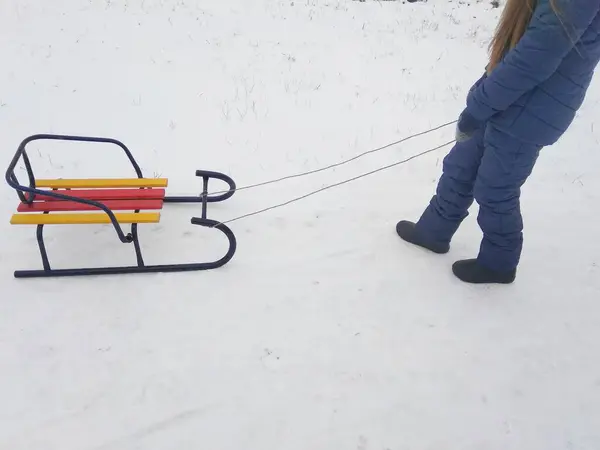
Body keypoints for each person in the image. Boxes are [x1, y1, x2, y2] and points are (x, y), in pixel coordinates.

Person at [396, 0, 600, 284]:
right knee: (462, 162)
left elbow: (535, 58)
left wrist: (480, 104)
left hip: (534, 107)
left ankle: (498, 262)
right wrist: (487, 89)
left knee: (495, 188)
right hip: (509, 94)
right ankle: (434, 229)